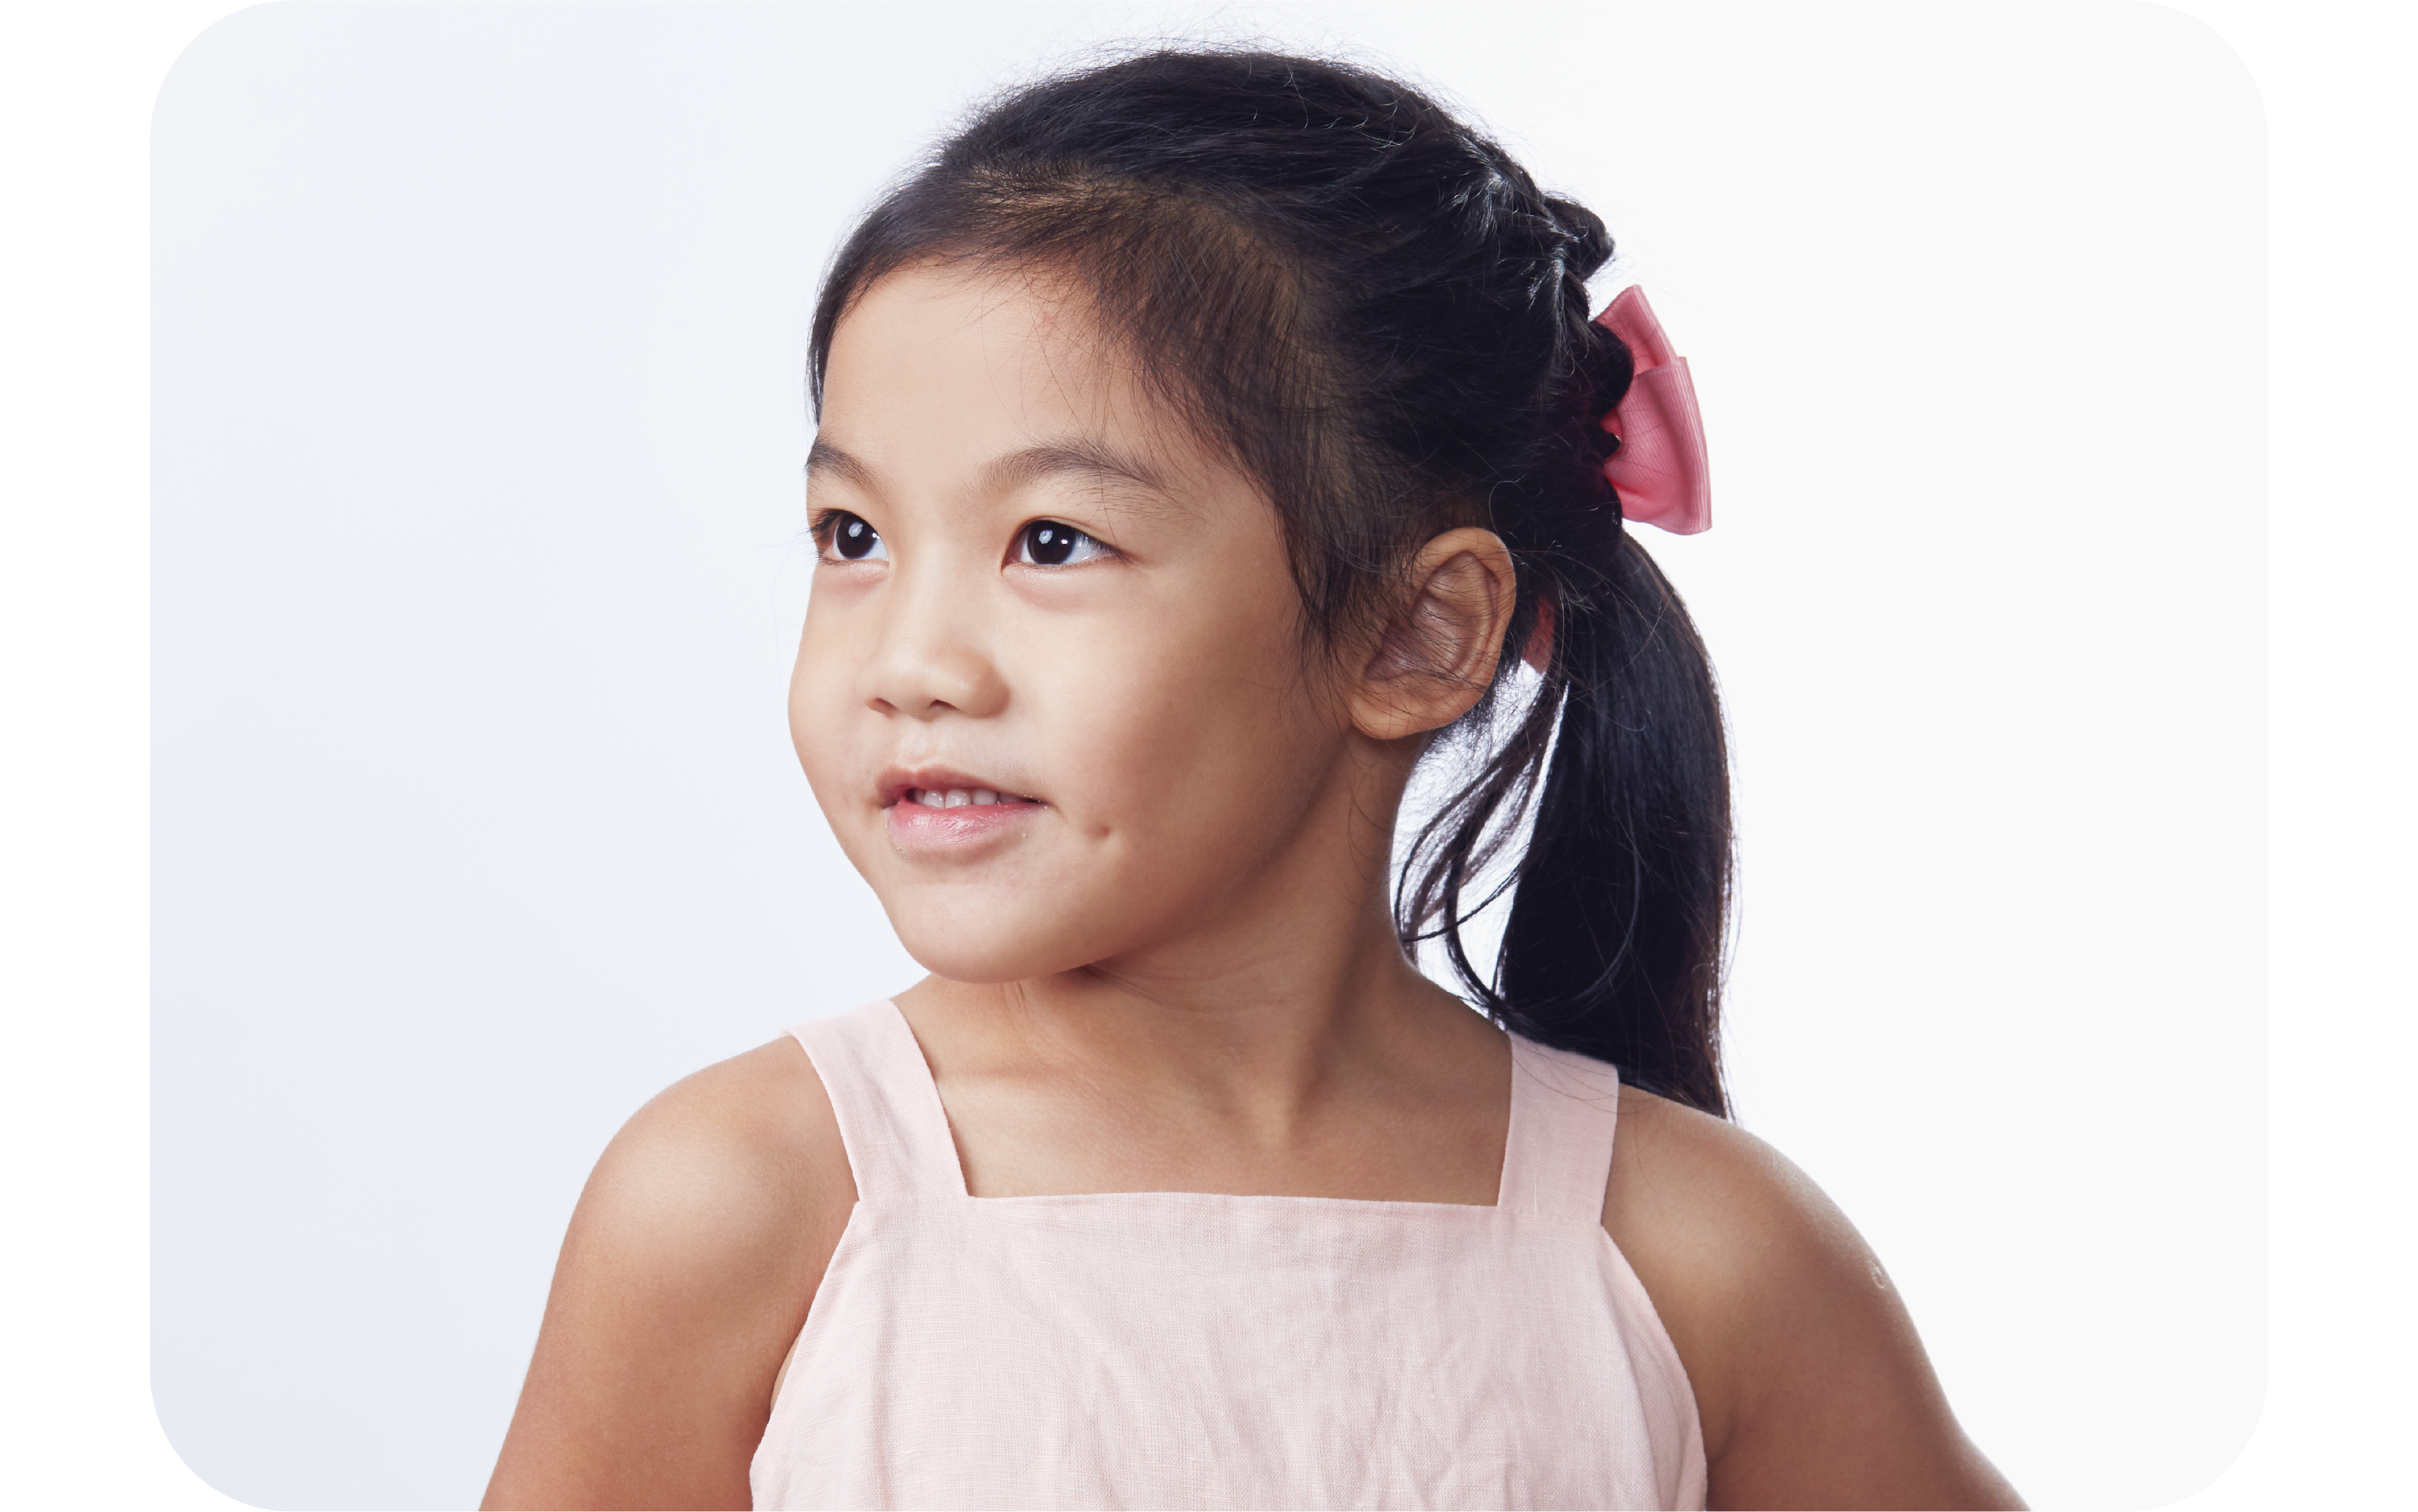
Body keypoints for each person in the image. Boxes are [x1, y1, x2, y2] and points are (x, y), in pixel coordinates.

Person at [481, 47, 2029, 1512]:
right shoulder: (744, 1209)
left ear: (1416, 631)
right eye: (853, 539)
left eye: (1052, 543)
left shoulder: (1703, 1260)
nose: (912, 661)